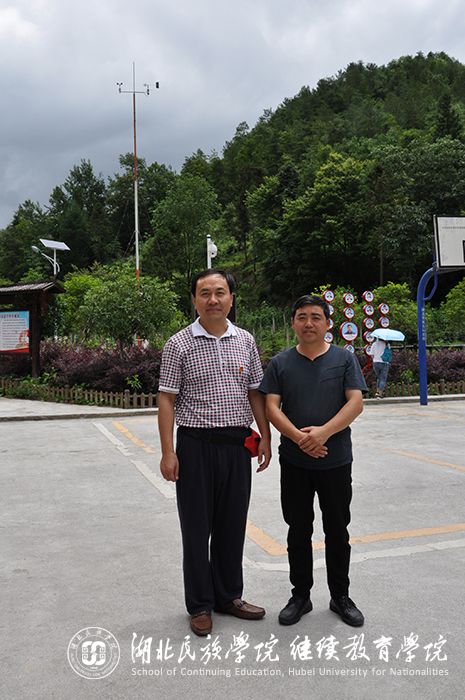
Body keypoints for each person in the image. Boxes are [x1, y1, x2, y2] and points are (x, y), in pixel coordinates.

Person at [158, 269, 272, 637]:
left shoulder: (245, 340)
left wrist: (266, 436)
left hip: (237, 446)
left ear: (231, 298)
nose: (213, 299)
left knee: (232, 525)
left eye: (220, 292)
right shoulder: (179, 344)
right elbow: (166, 398)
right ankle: (200, 605)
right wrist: (168, 452)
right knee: (196, 530)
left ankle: (228, 596)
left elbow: (255, 391)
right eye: (204, 293)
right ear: (194, 300)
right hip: (195, 446)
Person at [259, 294, 367, 627]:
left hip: (336, 461)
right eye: (302, 317)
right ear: (293, 322)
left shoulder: (344, 359)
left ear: (327, 323)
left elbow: (355, 402)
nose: (309, 323)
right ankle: (300, 596)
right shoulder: (280, 363)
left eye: (316, 317)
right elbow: (271, 407)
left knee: (337, 529)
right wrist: (299, 438)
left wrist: (322, 434)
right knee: (298, 529)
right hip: (295, 462)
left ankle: (340, 597)